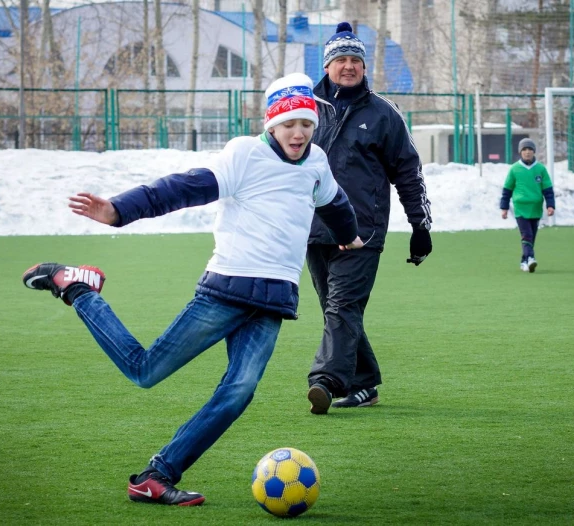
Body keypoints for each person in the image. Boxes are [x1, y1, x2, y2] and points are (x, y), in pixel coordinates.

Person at [22, 73, 363, 506]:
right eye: (289, 124)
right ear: (271, 124)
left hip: (274, 302)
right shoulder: (244, 155)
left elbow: (334, 203)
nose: (299, 133)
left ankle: (156, 476)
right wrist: (118, 210)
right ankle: (77, 288)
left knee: (238, 393)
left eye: (307, 125)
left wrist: (347, 235)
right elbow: (183, 187)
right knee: (145, 371)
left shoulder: (315, 162)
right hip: (226, 290)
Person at [305, 22, 433, 415]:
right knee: (337, 309)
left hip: (363, 232)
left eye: (355, 60)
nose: (348, 66)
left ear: (364, 66)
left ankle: (325, 380)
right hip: (313, 230)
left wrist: (419, 226)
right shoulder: (305, 110)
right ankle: (365, 385)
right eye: (340, 59)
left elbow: (408, 173)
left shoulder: (383, 114)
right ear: (327, 66)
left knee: (342, 307)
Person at [500, 137, 555, 272]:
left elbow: (547, 190)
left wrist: (550, 205)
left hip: (535, 208)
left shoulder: (541, 169)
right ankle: (530, 258)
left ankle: (524, 261)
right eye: (524, 149)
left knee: (532, 236)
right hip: (521, 208)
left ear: (534, 151)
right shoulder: (514, 169)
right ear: (520, 152)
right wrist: (504, 207)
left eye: (530, 149)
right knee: (527, 234)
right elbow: (507, 190)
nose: (527, 152)